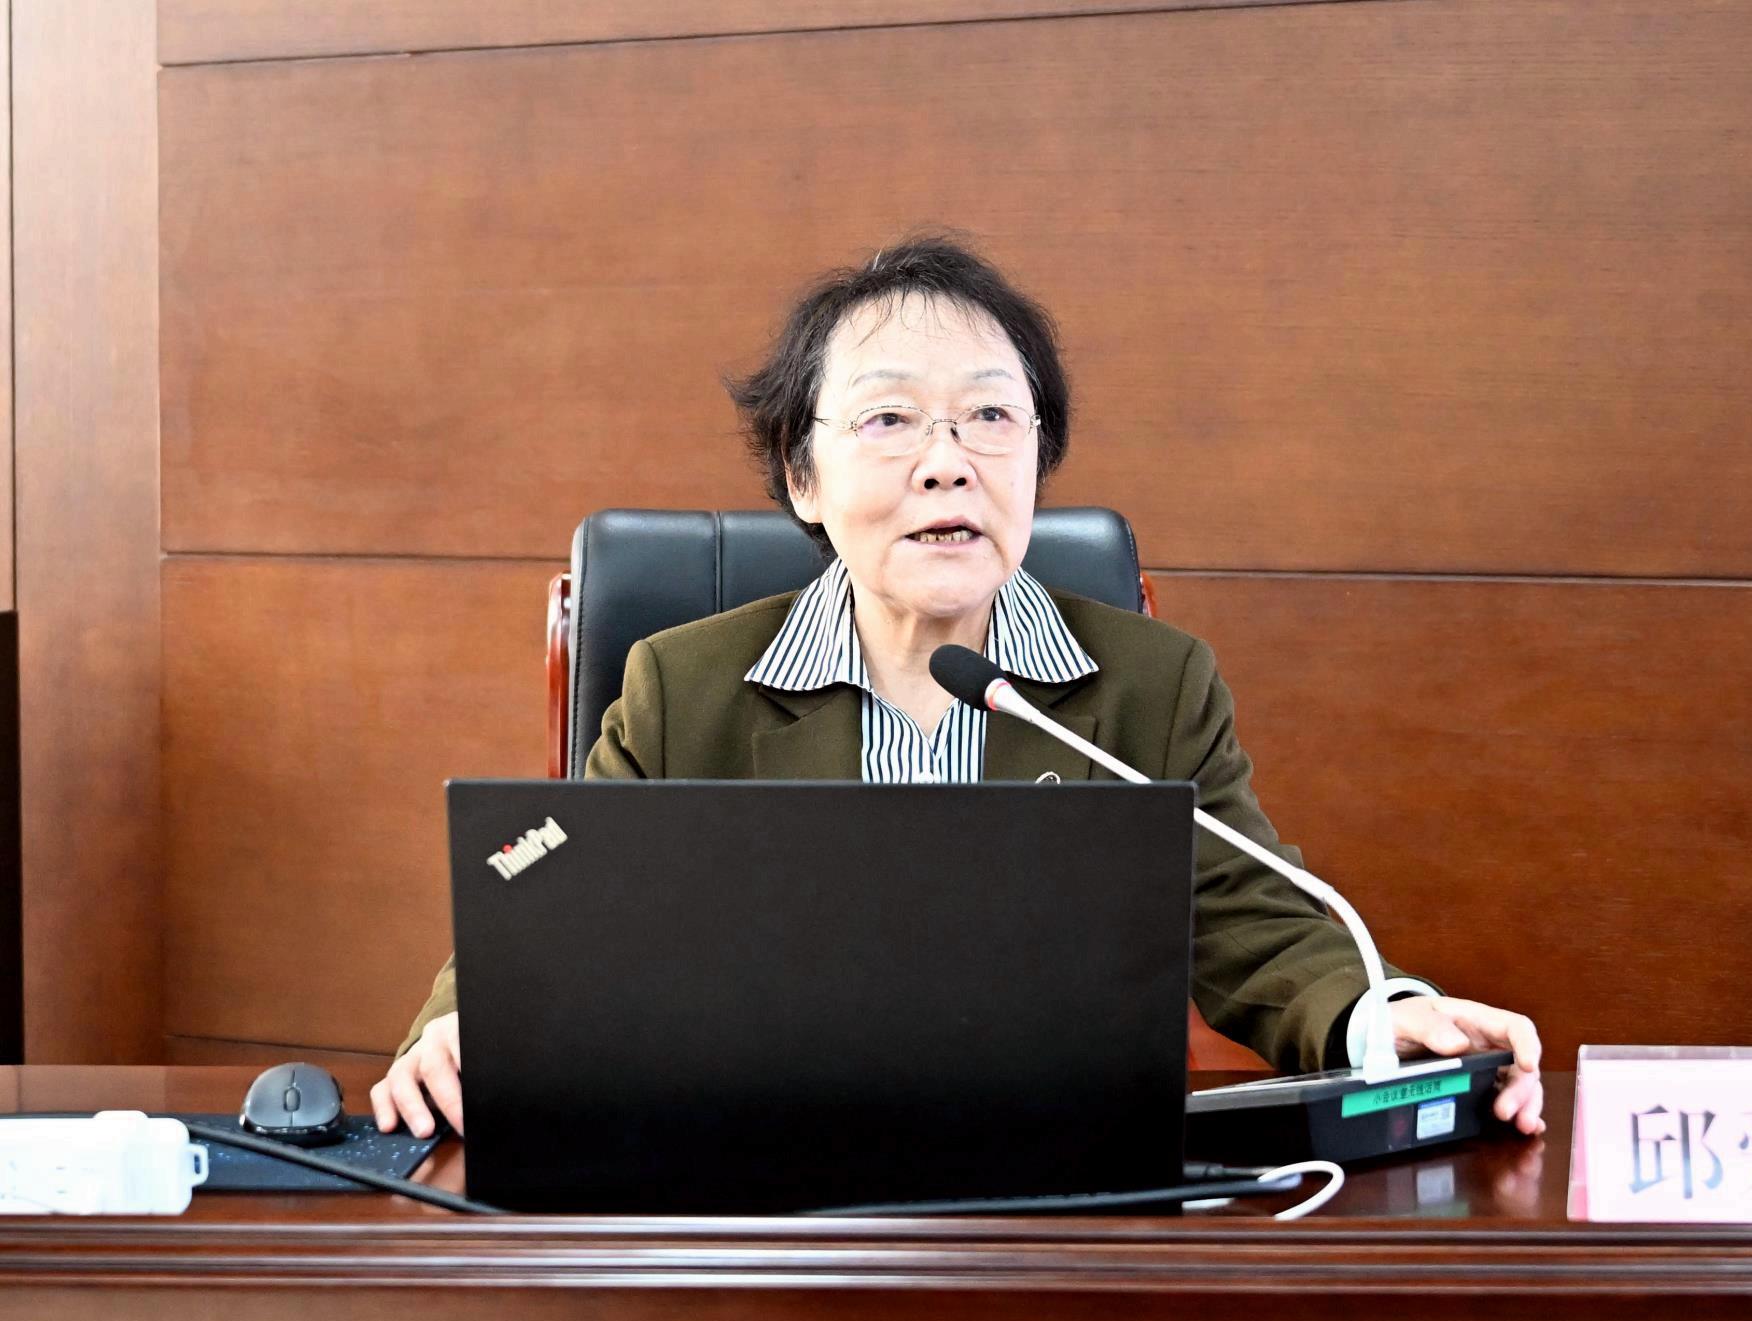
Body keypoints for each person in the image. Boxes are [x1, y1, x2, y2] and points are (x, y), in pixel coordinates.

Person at [372, 237, 1545, 1142]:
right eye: (889, 419)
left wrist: (1377, 1016)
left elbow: (1255, 922)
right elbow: (554, 907)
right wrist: (465, 1027)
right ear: (801, 474)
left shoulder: (1149, 683)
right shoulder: (683, 687)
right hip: (761, 1183)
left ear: (1036, 455)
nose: (948, 462)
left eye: (989, 416)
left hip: (1055, 1187)